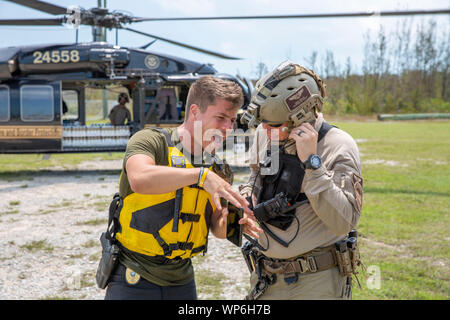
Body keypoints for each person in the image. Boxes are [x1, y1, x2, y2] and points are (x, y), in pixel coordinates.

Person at [101, 75, 261, 300]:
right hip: (133, 277)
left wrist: (232, 218)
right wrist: (200, 176)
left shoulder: (218, 169)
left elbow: (217, 228)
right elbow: (139, 177)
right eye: (221, 117)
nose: (228, 128)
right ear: (195, 112)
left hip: (182, 281)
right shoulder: (151, 141)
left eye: (232, 120)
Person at [239, 61, 364, 300]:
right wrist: (248, 196)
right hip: (265, 277)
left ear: (301, 117)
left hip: (316, 282)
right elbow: (256, 175)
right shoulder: (264, 134)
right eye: (262, 124)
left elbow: (343, 222)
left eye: (274, 125)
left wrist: (312, 163)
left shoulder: (338, 145)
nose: (265, 130)